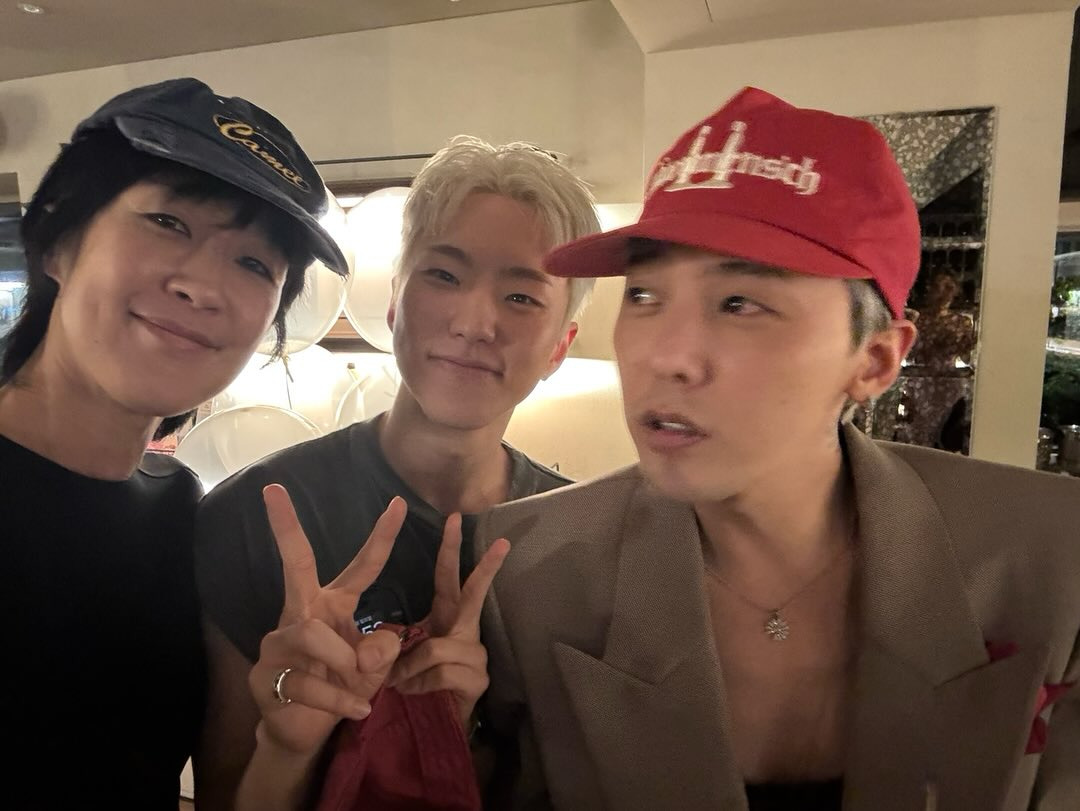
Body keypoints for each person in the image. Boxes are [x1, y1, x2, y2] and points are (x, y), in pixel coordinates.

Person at [474, 87, 1080, 810]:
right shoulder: (529, 574)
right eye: (643, 296)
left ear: (875, 360)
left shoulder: (1051, 556)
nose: (666, 356)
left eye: (740, 303)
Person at [192, 135, 601, 809]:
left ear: (560, 345)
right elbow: (224, 795)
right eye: (443, 275)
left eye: (521, 297)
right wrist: (288, 744)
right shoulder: (255, 518)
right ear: (393, 303)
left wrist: (460, 730)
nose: (473, 322)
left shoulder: (584, 543)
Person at [0, 78, 349, 809]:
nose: (204, 286)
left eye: (255, 264)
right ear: (58, 239)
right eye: (168, 221)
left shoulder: (179, 509)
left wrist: (285, 744)